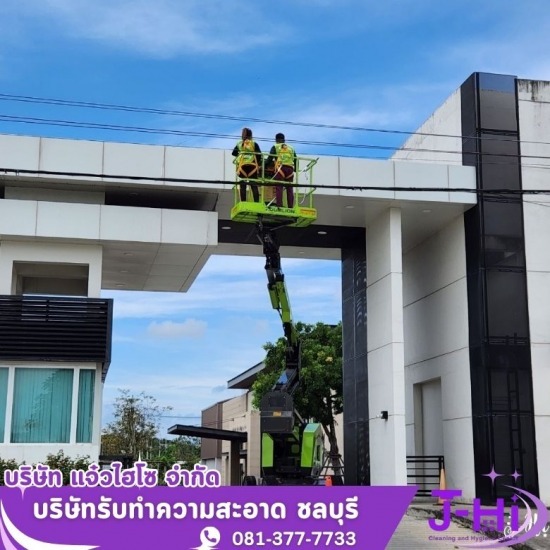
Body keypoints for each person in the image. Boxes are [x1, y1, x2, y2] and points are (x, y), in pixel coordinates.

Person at [265, 133, 296, 208]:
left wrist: (264, 166)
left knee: (279, 187)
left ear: (276, 140)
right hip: (290, 169)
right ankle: (290, 207)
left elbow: (269, 159)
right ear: (284, 140)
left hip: (280, 168)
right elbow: (295, 159)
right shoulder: (291, 148)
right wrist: (296, 169)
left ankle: (279, 206)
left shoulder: (275, 146)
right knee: (289, 188)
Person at [232, 127, 262, 202]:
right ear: (251, 135)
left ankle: (243, 202)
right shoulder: (254, 143)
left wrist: (241, 154)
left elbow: (234, 153)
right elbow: (259, 155)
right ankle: (256, 202)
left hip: (242, 167)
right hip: (252, 167)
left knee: (243, 185)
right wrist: (257, 163)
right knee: (253, 185)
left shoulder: (239, 143)